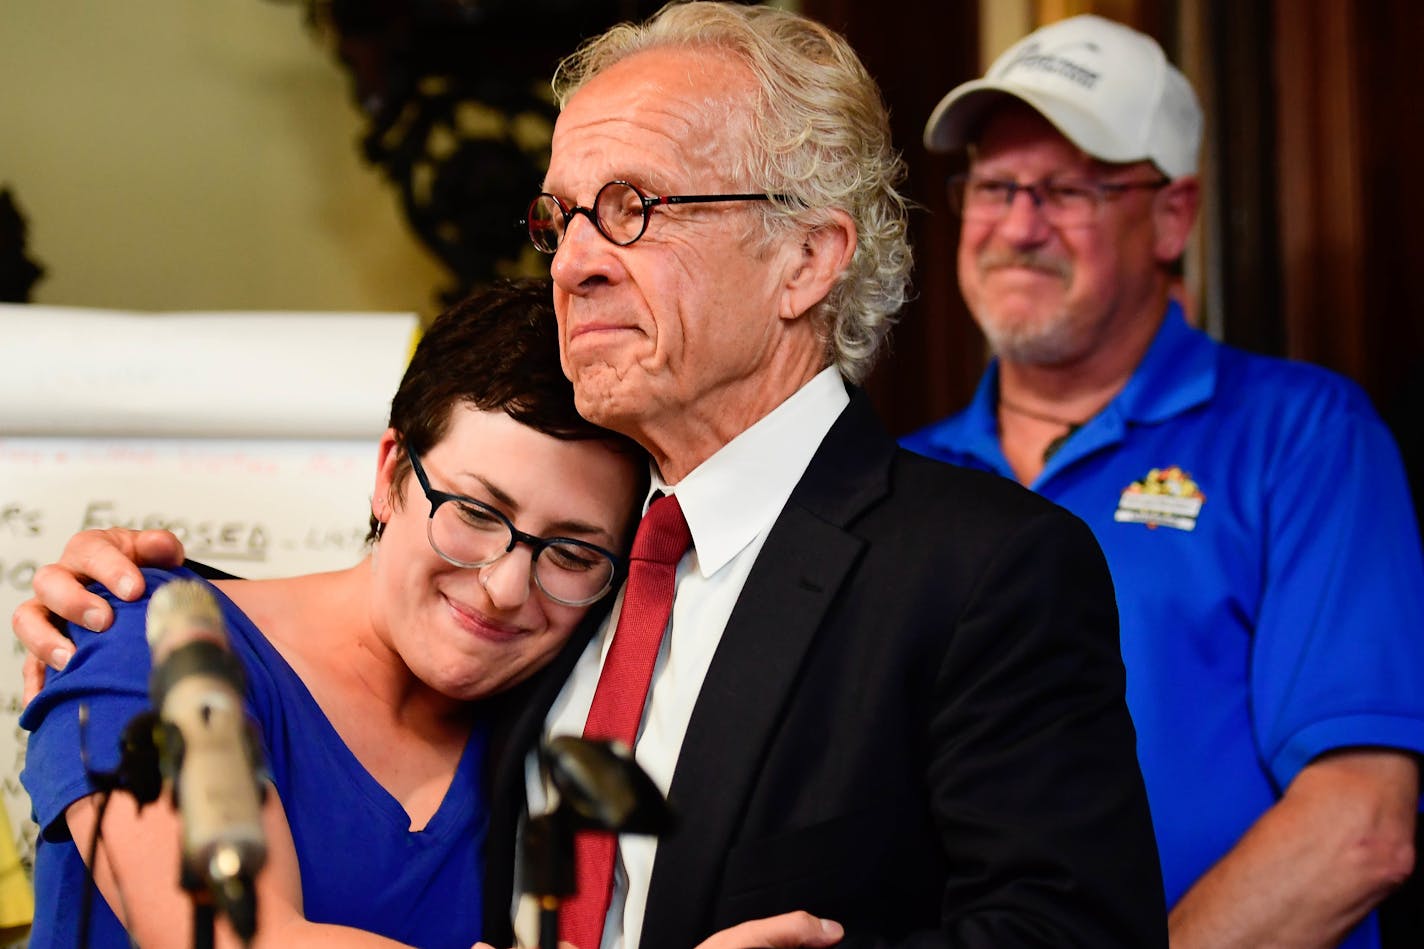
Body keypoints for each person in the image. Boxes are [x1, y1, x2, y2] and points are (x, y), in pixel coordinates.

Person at [15, 4, 1169, 946]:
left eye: (632, 208)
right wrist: (142, 608)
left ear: (806, 259)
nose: (572, 262)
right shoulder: (573, 579)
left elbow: (1076, 933)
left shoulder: (980, 567)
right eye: (559, 217)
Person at [901, 14, 1424, 949]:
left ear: (1173, 215)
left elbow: (1361, 825)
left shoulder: (1304, 436)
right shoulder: (906, 479)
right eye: (995, 185)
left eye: (1068, 189)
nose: (1019, 226)